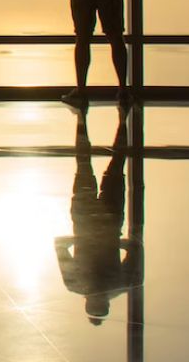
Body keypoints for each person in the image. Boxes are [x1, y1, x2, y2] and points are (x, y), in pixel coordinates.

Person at [54, 109, 141, 324]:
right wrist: (86, 240)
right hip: (85, 219)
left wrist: (110, 241)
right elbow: (60, 245)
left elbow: (135, 248)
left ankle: (121, 119)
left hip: (109, 222)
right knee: (84, 164)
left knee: (114, 165)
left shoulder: (117, 285)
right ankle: (85, 120)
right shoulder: (76, 284)